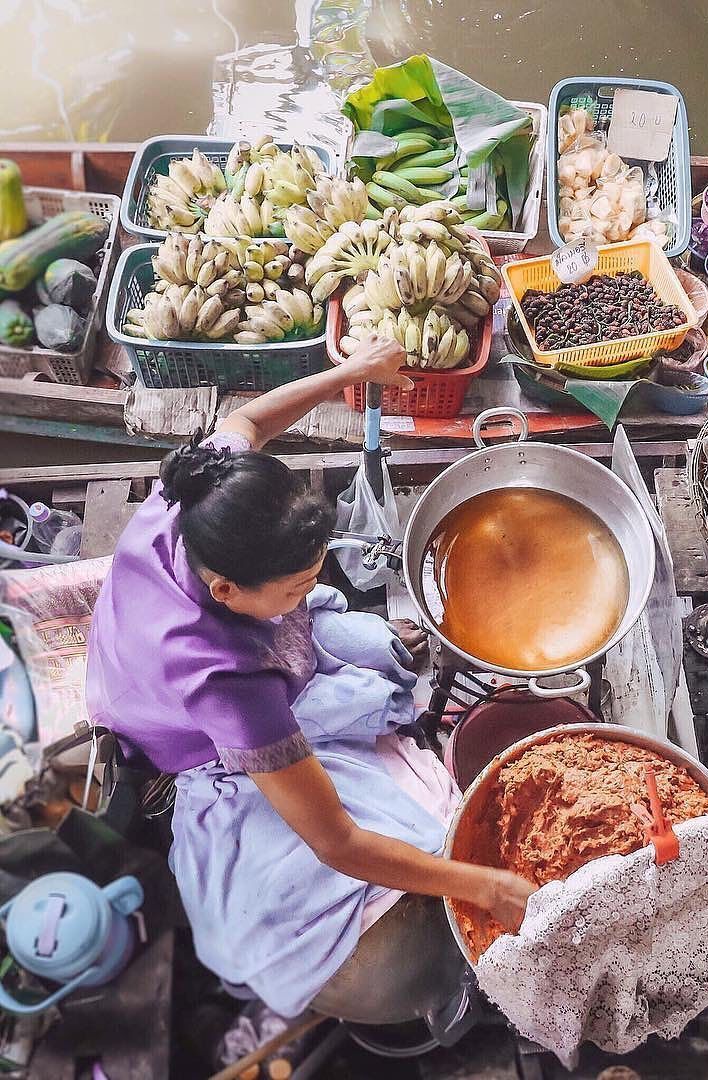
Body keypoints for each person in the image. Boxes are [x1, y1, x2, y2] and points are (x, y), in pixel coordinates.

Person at [85, 337, 535, 1022]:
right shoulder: (227, 684)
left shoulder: (206, 492)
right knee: (411, 822)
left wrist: (354, 373)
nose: (314, 588)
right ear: (229, 590)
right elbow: (337, 842)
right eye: (298, 584)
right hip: (182, 734)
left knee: (368, 640)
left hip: (208, 637)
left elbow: (252, 423)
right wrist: (485, 886)